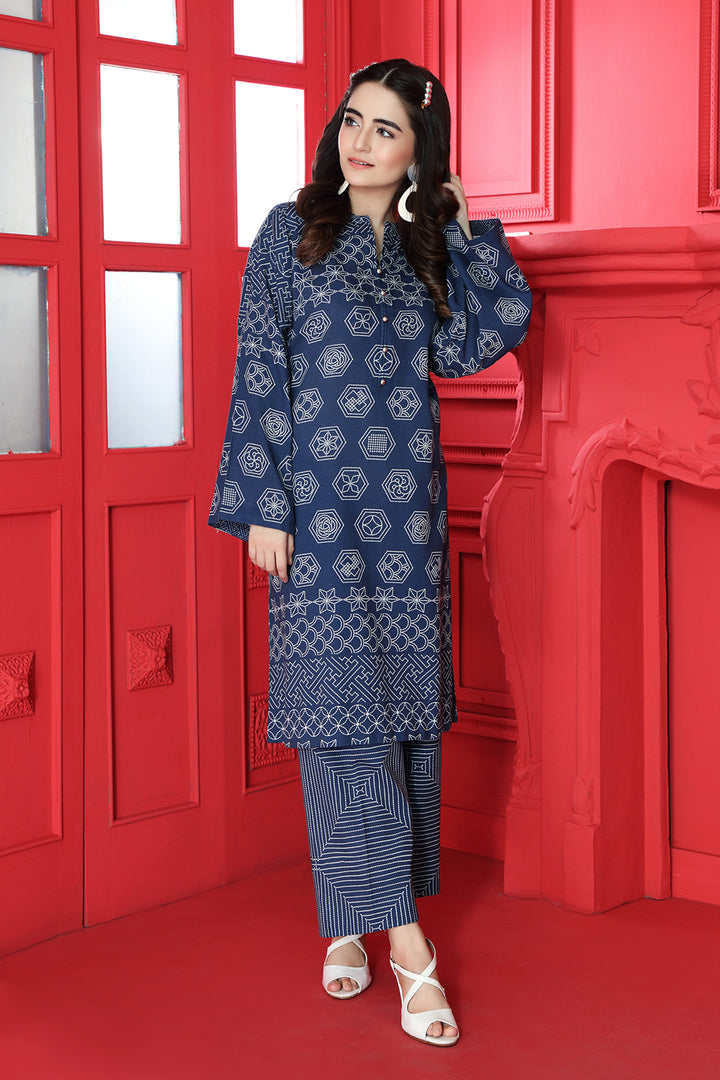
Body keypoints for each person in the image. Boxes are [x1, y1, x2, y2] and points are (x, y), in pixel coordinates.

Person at [209, 58, 532, 1046]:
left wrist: (464, 229)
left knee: (398, 727)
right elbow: (259, 368)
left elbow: (479, 341)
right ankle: (407, 946)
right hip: (315, 519)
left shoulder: (427, 249)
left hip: (407, 523)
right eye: (353, 120)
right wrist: (265, 504)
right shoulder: (290, 233)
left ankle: (347, 918)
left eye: (386, 130)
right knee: (338, 722)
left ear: (419, 150)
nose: (360, 142)